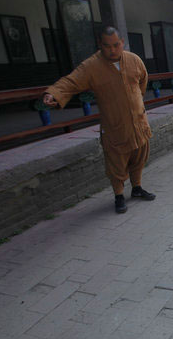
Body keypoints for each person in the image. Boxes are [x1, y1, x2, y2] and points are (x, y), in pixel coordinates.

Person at [43, 26, 155, 214]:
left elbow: (143, 80)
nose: (112, 50)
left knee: (139, 157)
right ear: (100, 45)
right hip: (115, 125)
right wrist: (54, 93)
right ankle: (119, 196)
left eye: (116, 45)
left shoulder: (134, 60)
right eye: (107, 46)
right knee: (116, 163)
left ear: (122, 43)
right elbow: (71, 81)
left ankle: (136, 188)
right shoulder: (91, 66)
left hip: (138, 121)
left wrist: (136, 102)